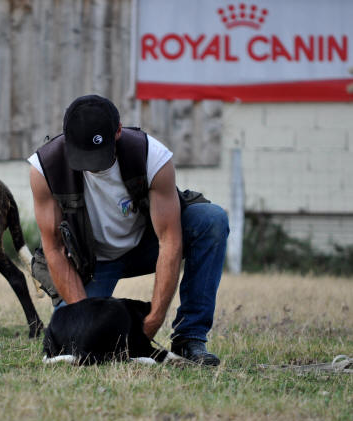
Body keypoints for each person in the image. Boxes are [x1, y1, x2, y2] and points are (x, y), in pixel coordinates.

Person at [28, 94, 229, 366]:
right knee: (76, 344)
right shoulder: (44, 168)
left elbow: (170, 242)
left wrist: (149, 327)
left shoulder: (152, 157)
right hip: (92, 261)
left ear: (118, 132)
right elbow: (53, 248)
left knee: (211, 220)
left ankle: (189, 338)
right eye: (82, 155)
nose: (91, 164)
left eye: (97, 154)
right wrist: (87, 320)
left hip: (145, 247)